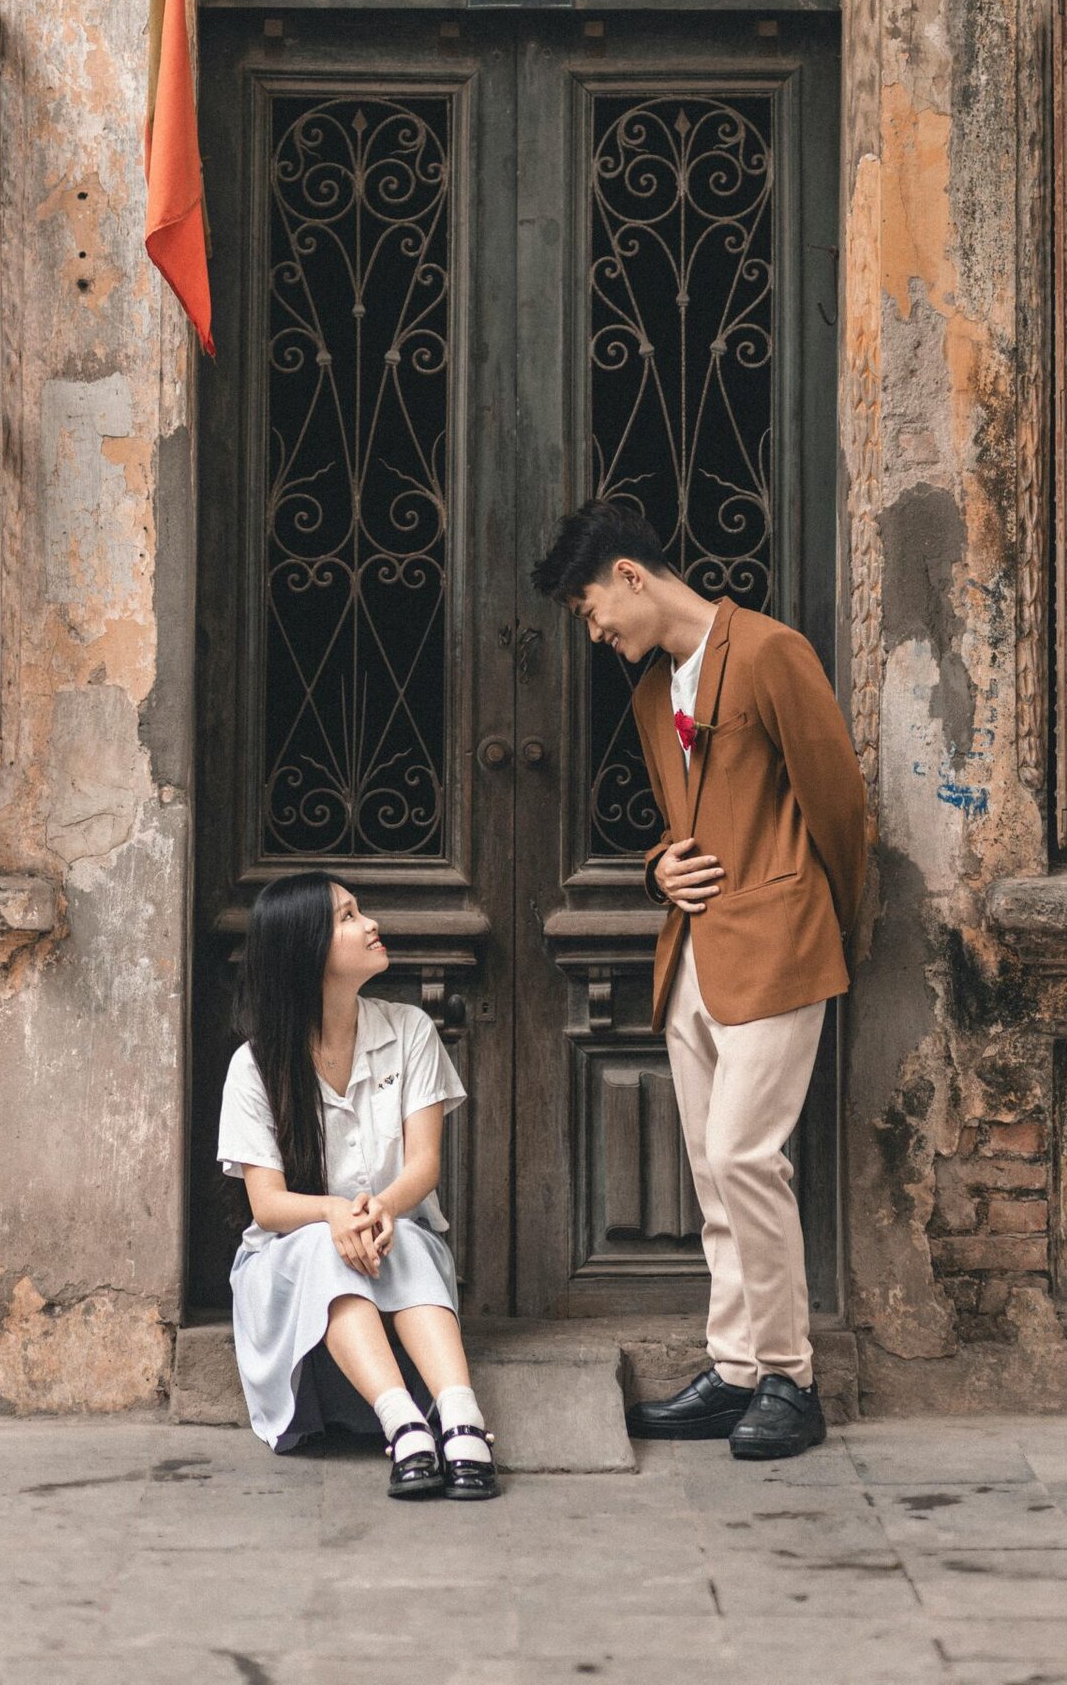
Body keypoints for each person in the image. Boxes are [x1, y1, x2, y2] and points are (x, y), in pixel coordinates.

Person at [533, 500, 866, 1461]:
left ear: (633, 575)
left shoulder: (768, 654)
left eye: (595, 613)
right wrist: (655, 870)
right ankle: (732, 1371)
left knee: (745, 1157)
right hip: (690, 957)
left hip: (779, 946)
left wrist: (824, 925)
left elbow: (838, 800)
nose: (599, 636)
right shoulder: (651, 696)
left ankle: (790, 1381)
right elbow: (686, 830)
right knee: (714, 1175)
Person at [218, 871, 499, 1500]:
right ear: (306, 949)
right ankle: (403, 1426)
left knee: (411, 1240)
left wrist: (380, 1211)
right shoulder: (255, 1064)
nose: (371, 924)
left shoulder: (410, 1031)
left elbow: (423, 1167)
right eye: (348, 917)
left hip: (394, 1244)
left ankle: (461, 1420)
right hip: (287, 1267)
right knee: (324, 1245)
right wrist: (336, 1214)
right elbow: (267, 1204)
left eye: (359, 911)